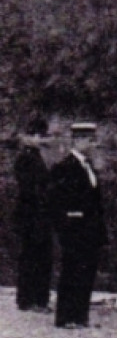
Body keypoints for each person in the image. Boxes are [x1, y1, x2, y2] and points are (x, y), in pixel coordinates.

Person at [49, 122, 105, 329]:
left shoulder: (88, 166)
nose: (90, 144)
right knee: (71, 272)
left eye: (92, 140)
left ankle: (80, 315)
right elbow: (56, 201)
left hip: (89, 229)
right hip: (74, 229)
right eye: (87, 140)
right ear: (77, 140)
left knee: (86, 272)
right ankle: (65, 317)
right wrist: (67, 222)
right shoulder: (65, 167)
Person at [13, 117, 53, 312]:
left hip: (38, 215)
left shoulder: (36, 157)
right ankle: (29, 299)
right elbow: (29, 189)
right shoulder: (26, 158)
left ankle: (35, 298)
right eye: (35, 135)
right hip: (32, 215)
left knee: (39, 256)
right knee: (32, 257)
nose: (38, 139)